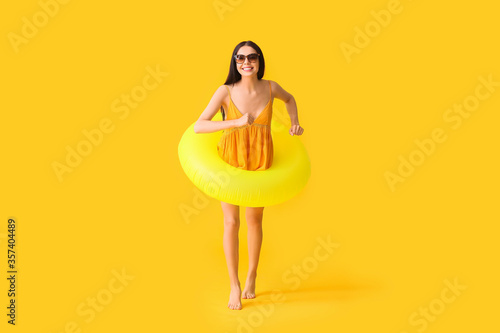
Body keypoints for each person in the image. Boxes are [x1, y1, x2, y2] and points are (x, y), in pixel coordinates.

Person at [193, 41, 304, 310]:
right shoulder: (225, 91)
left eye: (252, 57)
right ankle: (234, 284)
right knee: (231, 223)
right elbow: (199, 125)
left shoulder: (270, 87)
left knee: (254, 220)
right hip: (230, 162)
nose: (246, 62)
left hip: (259, 161)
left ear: (259, 61)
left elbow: (290, 99)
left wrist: (294, 123)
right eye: (240, 57)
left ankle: (251, 275)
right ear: (234, 62)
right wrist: (236, 122)